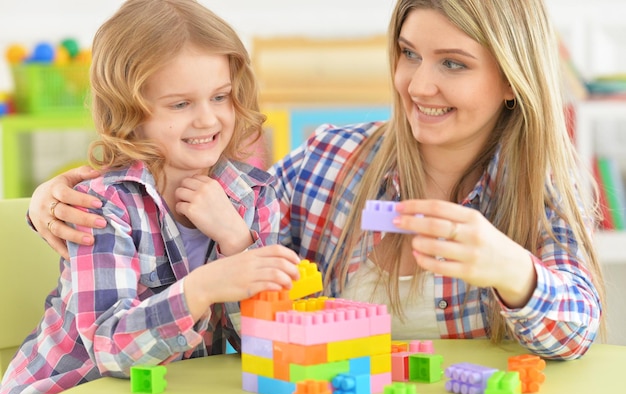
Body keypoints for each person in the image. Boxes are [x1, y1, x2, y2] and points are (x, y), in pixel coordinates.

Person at [27, 0, 604, 363]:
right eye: (408, 54)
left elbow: (576, 337)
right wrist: (49, 199)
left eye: (452, 63)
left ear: (512, 78)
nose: (418, 85)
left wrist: (513, 270)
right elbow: (219, 226)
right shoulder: (330, 159)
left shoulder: (540, 187)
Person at [0, 1, 302, 394]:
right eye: (181, 104)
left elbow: (264, 346)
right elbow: (109, 348)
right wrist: (201, 289)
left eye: (220, 97)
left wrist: (237, 241)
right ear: (128, 111)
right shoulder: (106, 204)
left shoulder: (255, 196)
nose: (207, 119)